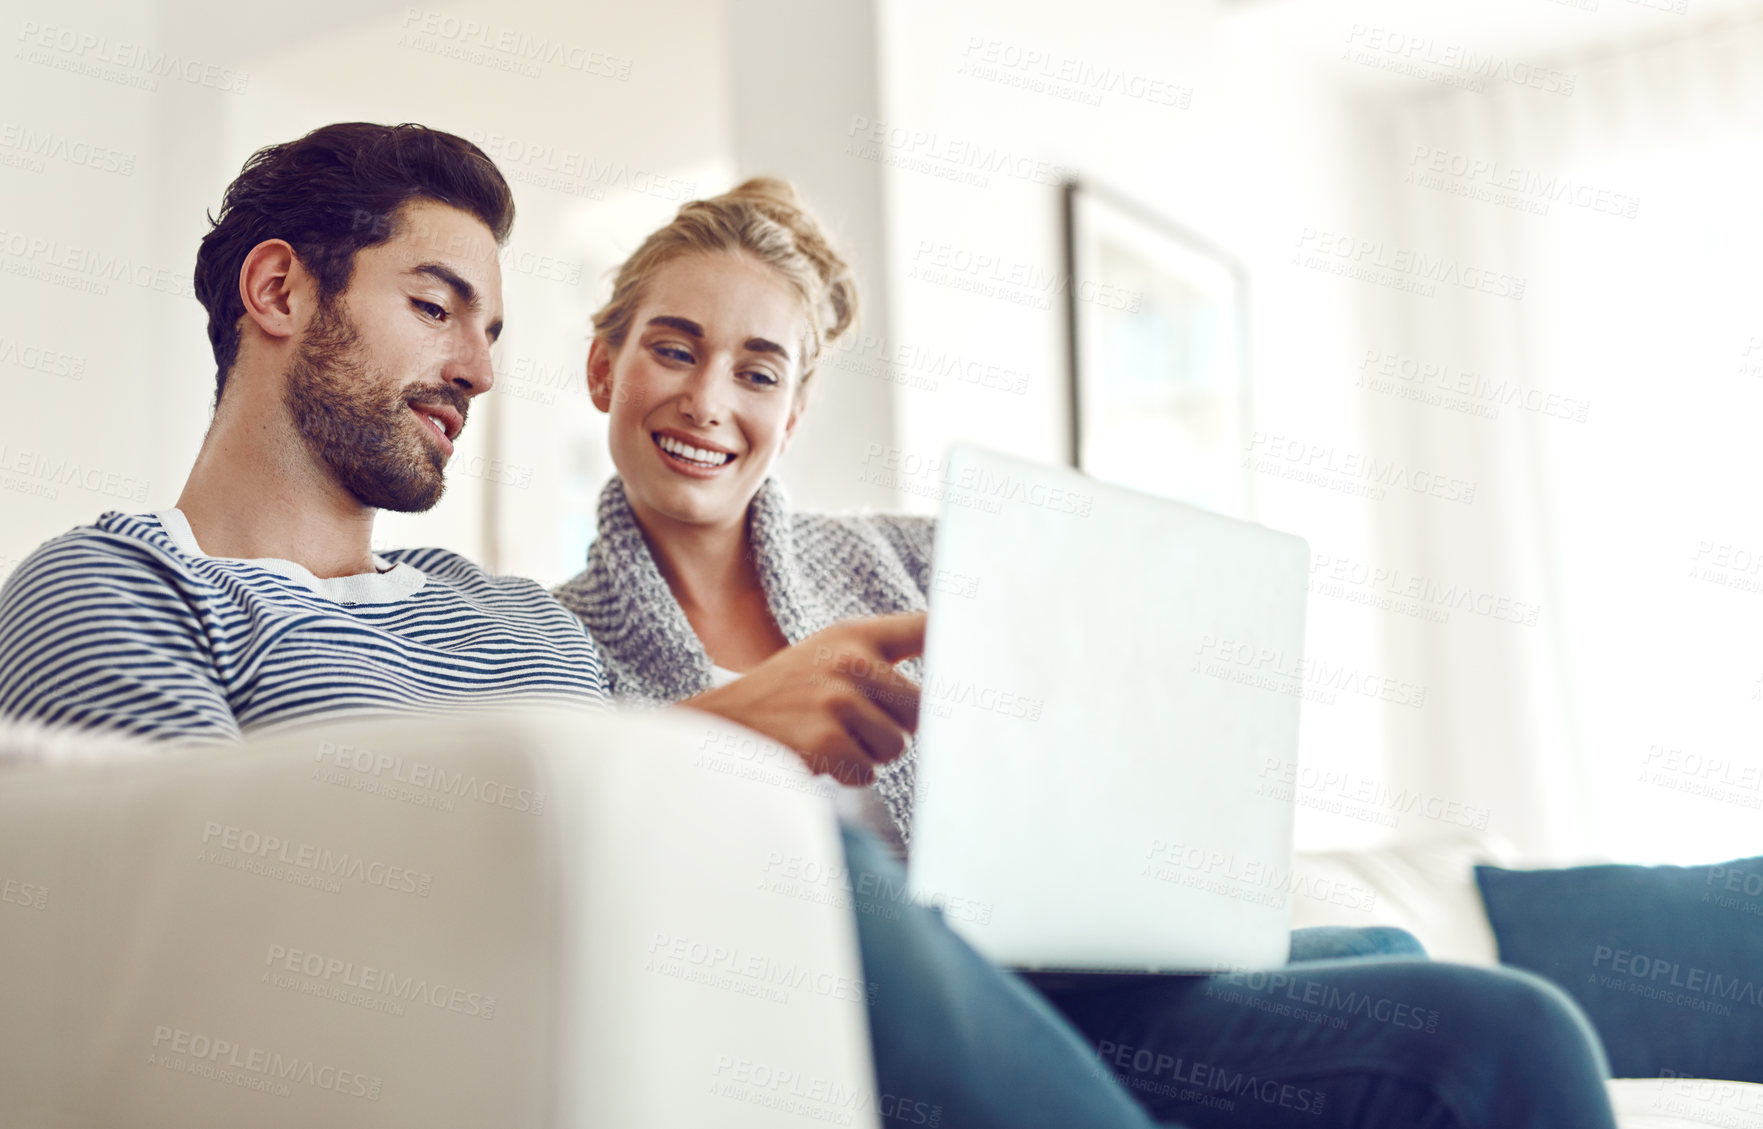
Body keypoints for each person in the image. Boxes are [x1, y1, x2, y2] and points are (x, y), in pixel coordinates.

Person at [0, 120, 1206, 1129]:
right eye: (437, 305)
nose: (475, 366)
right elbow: (199, 966)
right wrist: (727, 733)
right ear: (278, 292)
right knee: (794, 856)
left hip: (729, 1023)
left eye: (491, 332)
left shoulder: (512, 615)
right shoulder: (113, 587)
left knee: (1396, 1021)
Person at [551, 178, 1622, 1128]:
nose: (706, 401)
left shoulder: (923, 561)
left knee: (1444, 993)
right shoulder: (536, 635)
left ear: (791, 413)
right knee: (1465, 1033)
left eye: (757, 370)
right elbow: (551, 853)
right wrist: (739, 733)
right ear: (605, 368)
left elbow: (1114, 728)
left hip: (1059, 994)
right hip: (819, 1046)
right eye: (673, 349)